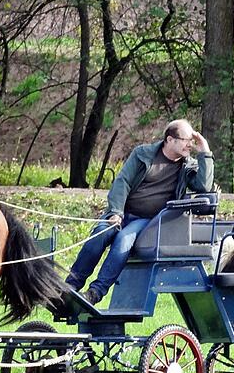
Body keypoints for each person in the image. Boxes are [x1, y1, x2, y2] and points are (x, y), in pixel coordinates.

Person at [66, 119, 215, 305]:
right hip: (122, 212)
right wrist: (116, 212)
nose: (190, 144)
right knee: (99, 235)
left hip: (148, 221)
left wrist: (205, 151)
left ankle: (95, 293)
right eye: (186, 139)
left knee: (123, 240)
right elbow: (123, 182)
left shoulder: (188, 166)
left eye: (192, 141)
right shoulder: (143, 154)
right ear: (170, 139)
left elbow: (204, 186)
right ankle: (70, 287)